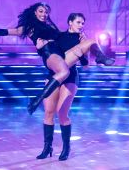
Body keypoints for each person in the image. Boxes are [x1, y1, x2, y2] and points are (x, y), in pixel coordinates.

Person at [0, 2, 115, 116]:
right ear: (35, 12)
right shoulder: (29, 28)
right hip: (50, 54)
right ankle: (36, 100)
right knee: (63, 74)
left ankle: (100, 58)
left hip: (61, 53)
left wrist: (79, 41)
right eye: (41, 11)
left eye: (46, 12)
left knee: (88, 42)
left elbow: (63, 39)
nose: (44, 14)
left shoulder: (51, 28)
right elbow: (9, 31)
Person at [36, 13, 87, 161]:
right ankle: (47, 147)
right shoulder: (58, 36)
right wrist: (40, 48)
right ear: (70, 22)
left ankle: (66, 148)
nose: (81, 25)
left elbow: (86, 63)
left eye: (83, 23)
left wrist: (81, 54)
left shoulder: (82, 40)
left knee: (62, 113)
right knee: (48, 112)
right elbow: (48, 54)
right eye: (78, 22)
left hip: (70, 77)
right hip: (53, 75)